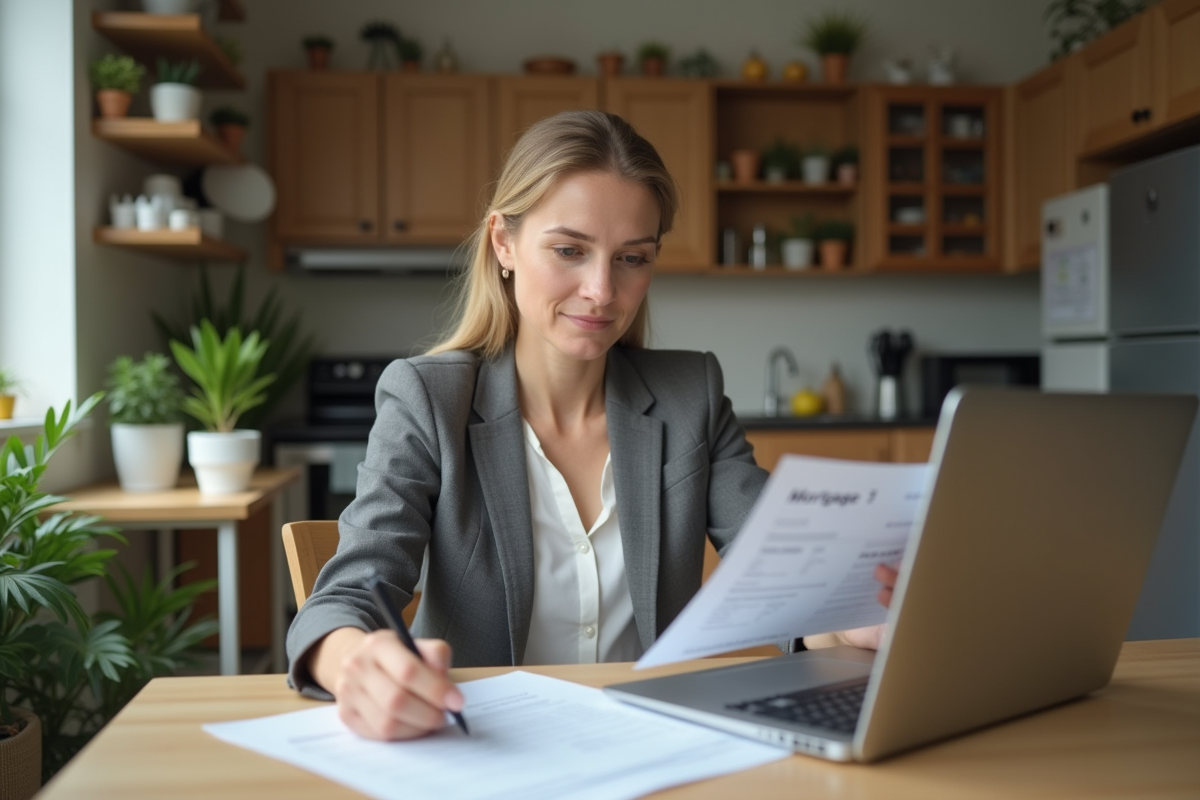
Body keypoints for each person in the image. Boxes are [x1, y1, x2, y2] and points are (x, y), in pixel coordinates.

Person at [286, 110, 897, 741]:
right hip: (482, 751)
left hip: (649, 745)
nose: (603, 291)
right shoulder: (427, 399)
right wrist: (356, 665)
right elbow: (345, 598)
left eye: (632, 257)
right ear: (503, 243)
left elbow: (787, 576)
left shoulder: (691, 394)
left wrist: (849, 618)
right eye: (570, 250)